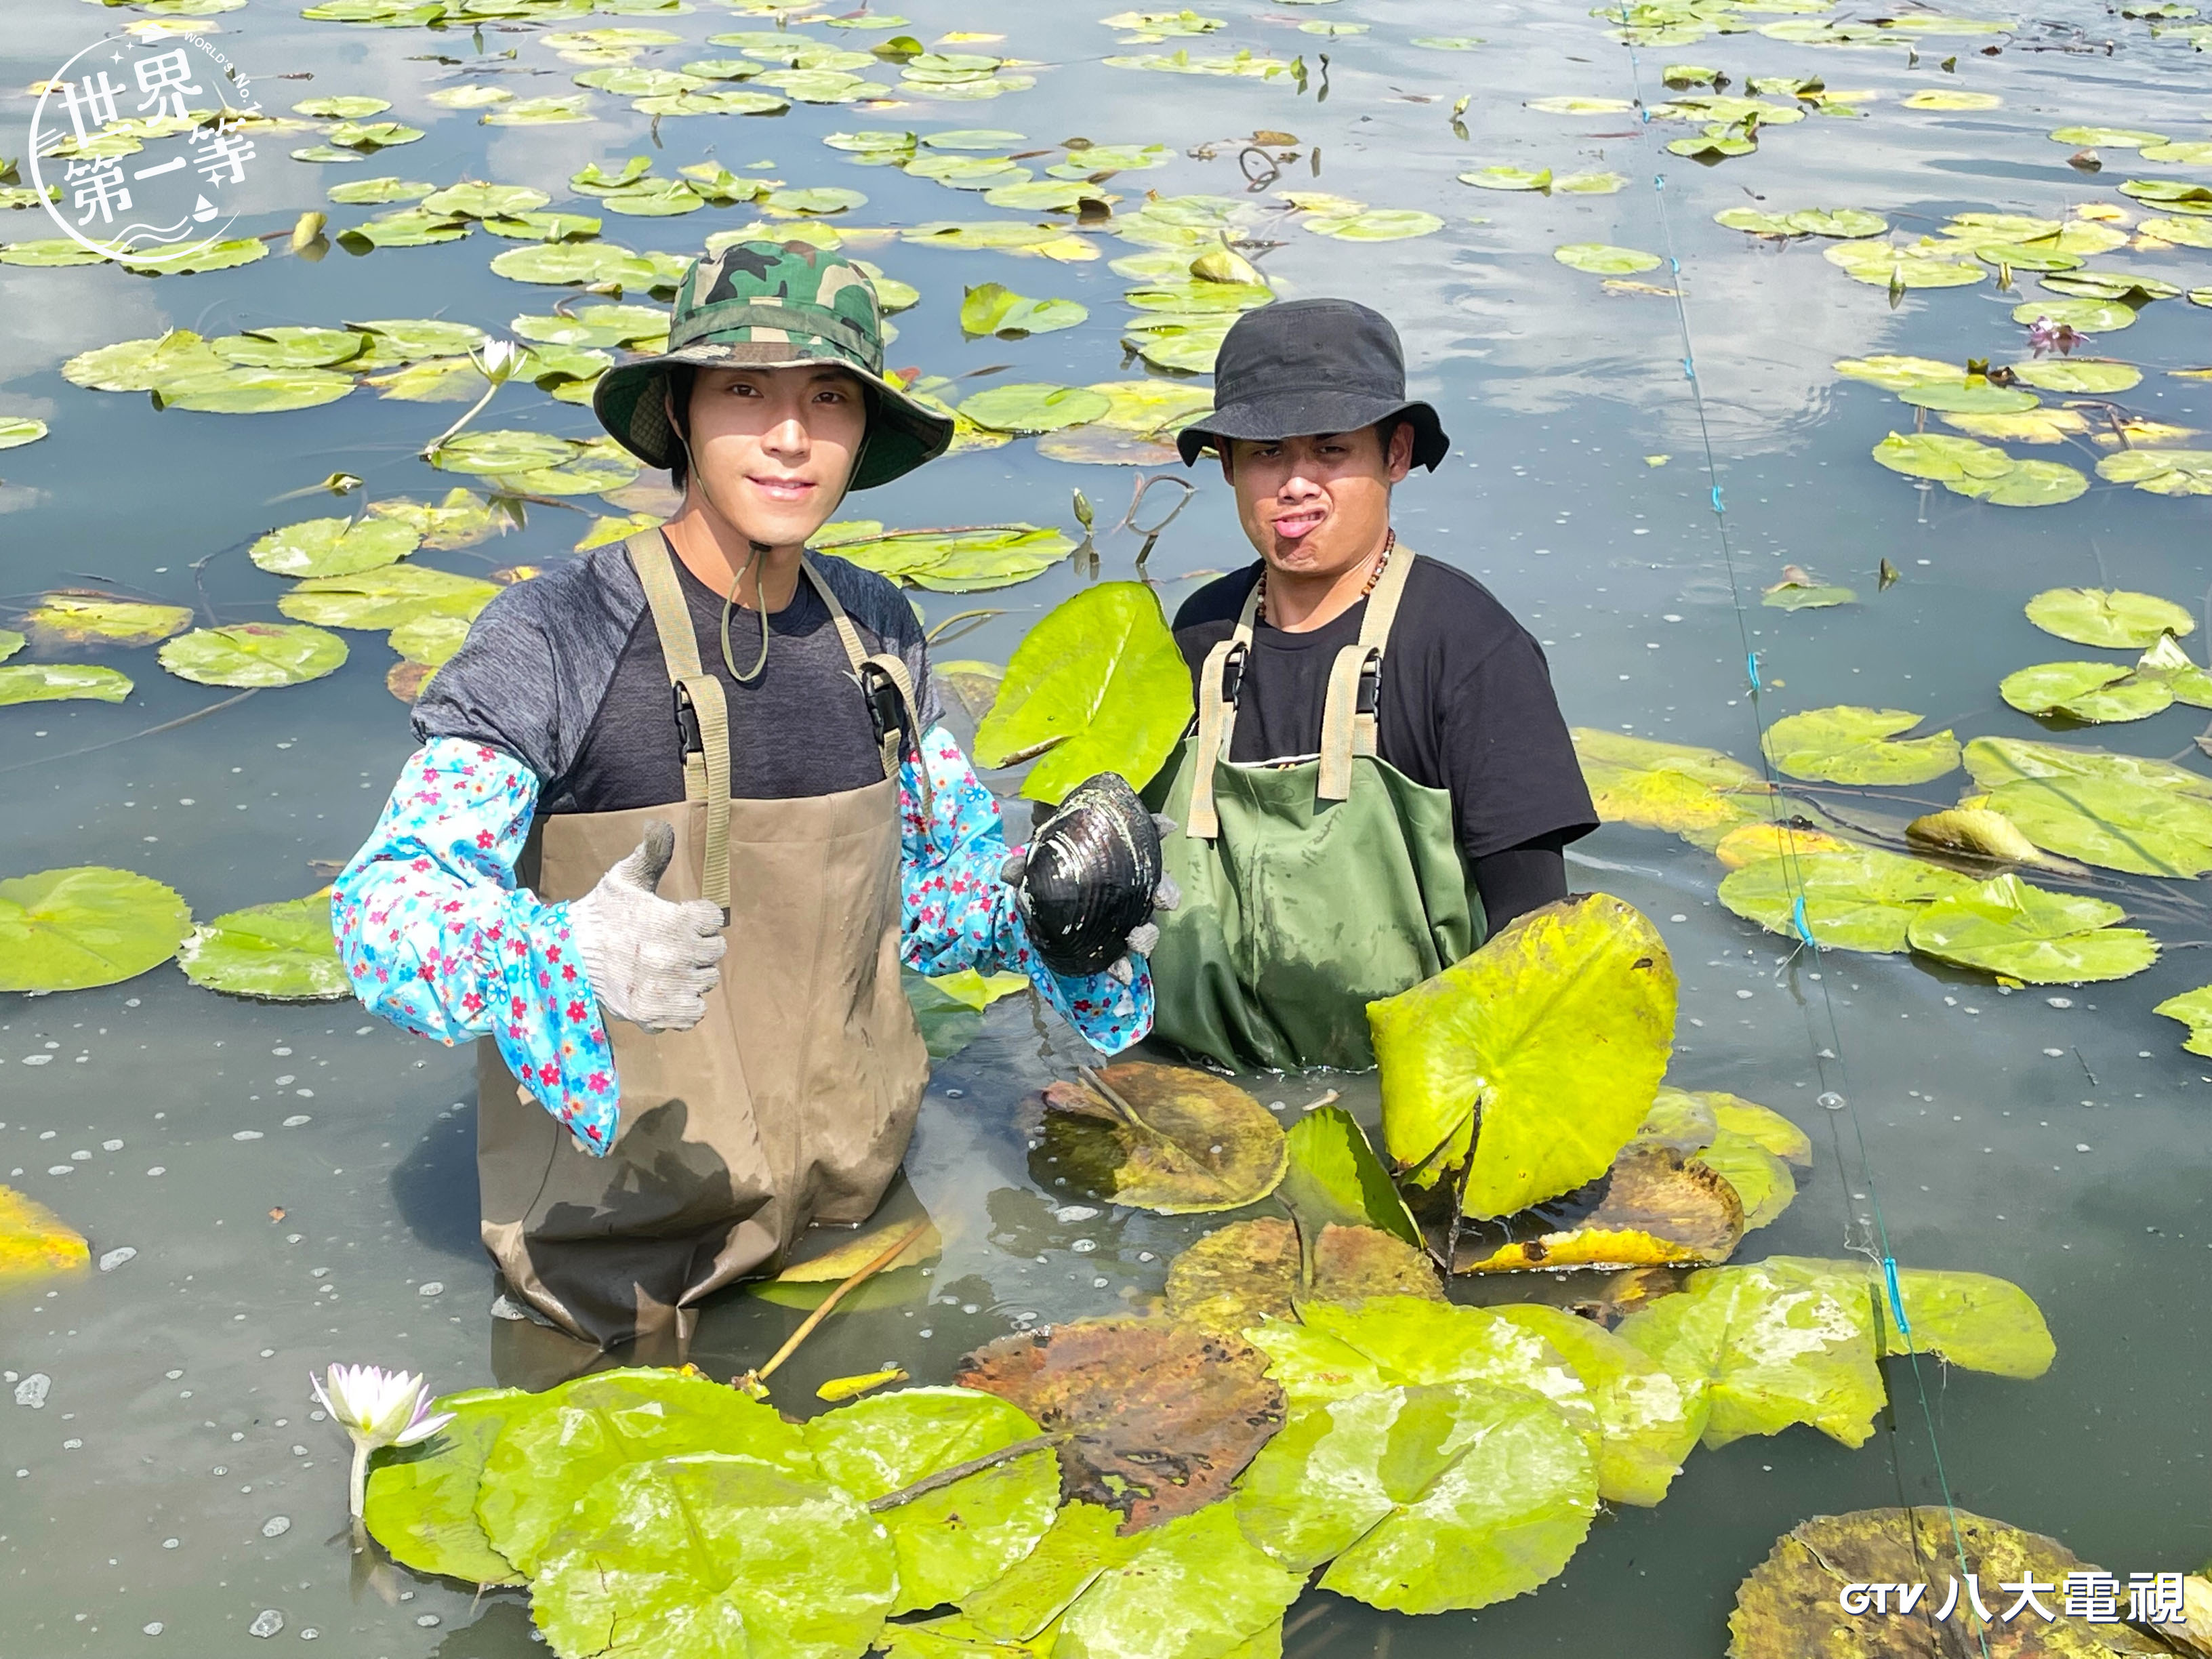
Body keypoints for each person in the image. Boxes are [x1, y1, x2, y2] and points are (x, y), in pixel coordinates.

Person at [332, 241, 1170, 1350]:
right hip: (613, 1282)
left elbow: (922, 896)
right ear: (678, 412)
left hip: (849, 1233)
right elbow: (382, 906)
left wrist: (1044, 911)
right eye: (745, 392)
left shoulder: (877, 632)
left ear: (864, 430)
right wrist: (555, 947)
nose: (789, 436)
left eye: (828, 397)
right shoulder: (555, 635)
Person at [1147, 298, 1597, 1073]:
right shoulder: (1199, 635)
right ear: (1226, 464)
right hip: (1202, 1076)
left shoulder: (1469, 647)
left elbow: (1533, 938)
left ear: (1395, 454)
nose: (1295, 484)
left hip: (1405, 1084)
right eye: (1264, 454)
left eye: (1330, 451)